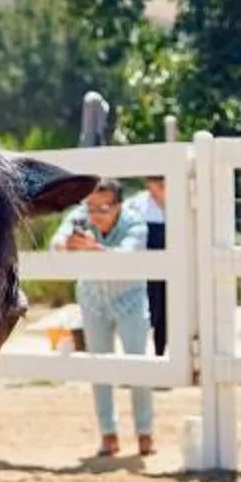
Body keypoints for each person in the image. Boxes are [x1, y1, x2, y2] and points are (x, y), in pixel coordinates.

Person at [52, 179, 153, 461]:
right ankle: (108, 435)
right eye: (91, 206)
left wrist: (92, 248)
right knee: (99, 368)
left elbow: (125, 256)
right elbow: (56, 243)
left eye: (103, 207)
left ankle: (145, 432)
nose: (94, 213)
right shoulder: (81, 216)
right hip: (93, 299)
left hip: (129, 300)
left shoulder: (136, 223)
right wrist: (69, 245)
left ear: (118, 205)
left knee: (138, 367)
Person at [124, 173, 168, 356]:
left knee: (167, 311)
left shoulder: (180, 200)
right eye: (156, 181)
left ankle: (161, 354)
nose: (160, 184)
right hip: (145, 265)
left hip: (171, 264)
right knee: (149, 310)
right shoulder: (136, 204)